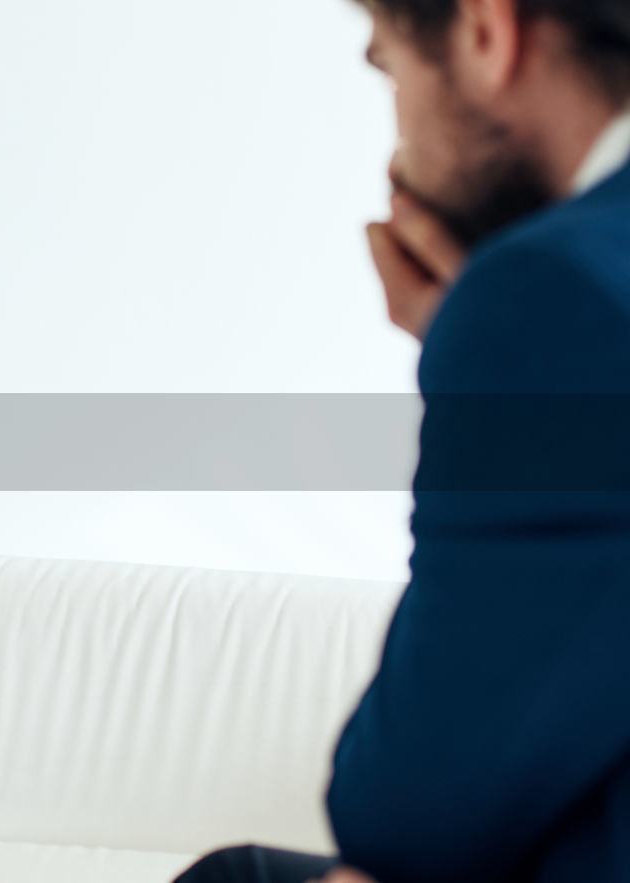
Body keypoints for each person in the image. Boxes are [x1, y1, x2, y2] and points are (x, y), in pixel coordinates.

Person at [176, 0, 630, 881]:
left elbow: (402, 815)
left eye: (390, 71)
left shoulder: (551, 293)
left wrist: (489, 338)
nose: (399, 150)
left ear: (486, 34)